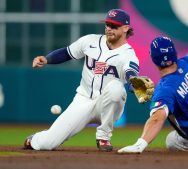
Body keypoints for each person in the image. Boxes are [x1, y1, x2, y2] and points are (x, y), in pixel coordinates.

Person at [24, 9, 139, 152]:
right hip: (83, 99)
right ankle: (36, 139)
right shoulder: (90, 41)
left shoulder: (128, 54)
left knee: (116, 87)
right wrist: (47, 59)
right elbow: (67, 52)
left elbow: (131, 72)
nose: (109, 29)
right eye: (107, 24)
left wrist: (134, 81)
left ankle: (103, 137)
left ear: (126, 28)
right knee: (47, 144)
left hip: (107, 106)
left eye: (114, 26)